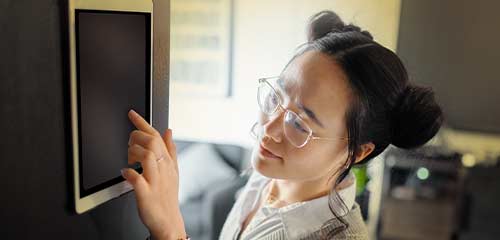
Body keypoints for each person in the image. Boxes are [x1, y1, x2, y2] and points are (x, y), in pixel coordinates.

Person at [122, 10, 443, 240]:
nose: (269, 128)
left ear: (359, 151)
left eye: (300, 123)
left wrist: (171, 231)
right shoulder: (265, 178)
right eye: (276, 97)